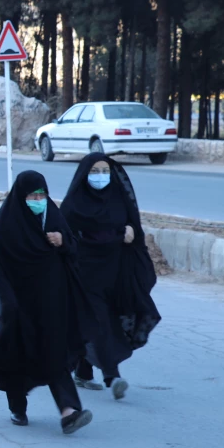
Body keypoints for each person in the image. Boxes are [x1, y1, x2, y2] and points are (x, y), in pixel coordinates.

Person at [0, 171, 96, 435]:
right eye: (32, 196)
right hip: (16, 300)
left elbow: (73, 249)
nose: (38, 201)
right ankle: (17, 407)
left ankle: (69, 412)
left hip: (50, 300)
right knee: (16, 353)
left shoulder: (53, 217)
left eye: (41, 195)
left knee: (54, 349)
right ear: (21, 197)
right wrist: (8, 299)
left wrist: (63, 241)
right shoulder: (6, 224)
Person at [60, 153, 161, 399]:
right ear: (84, 175)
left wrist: (131, 233)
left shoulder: (118, 199)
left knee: (110, 319)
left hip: (115, 273)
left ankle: (83, 373)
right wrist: (118, 235)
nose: (101, 176)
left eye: (105, 171)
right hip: (84, 274)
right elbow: (71, 238)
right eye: (95, 171)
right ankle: (112, 376)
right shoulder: (74, 205)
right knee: (99, 322)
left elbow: (134, 231)